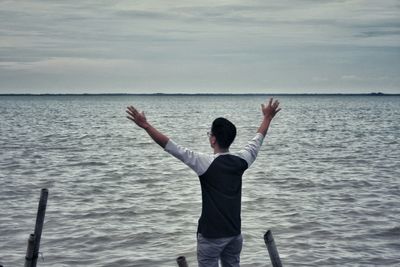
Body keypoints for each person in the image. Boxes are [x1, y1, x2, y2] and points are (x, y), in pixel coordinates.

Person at [126, 98, 281, 267]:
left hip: (210, 237)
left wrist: (146, 126)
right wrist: (267, 118)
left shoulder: (204, 163)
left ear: (213, 139)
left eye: (210, 134)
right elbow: (258, 138)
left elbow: (170, 146)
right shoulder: (242, 160)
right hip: (234, 235)